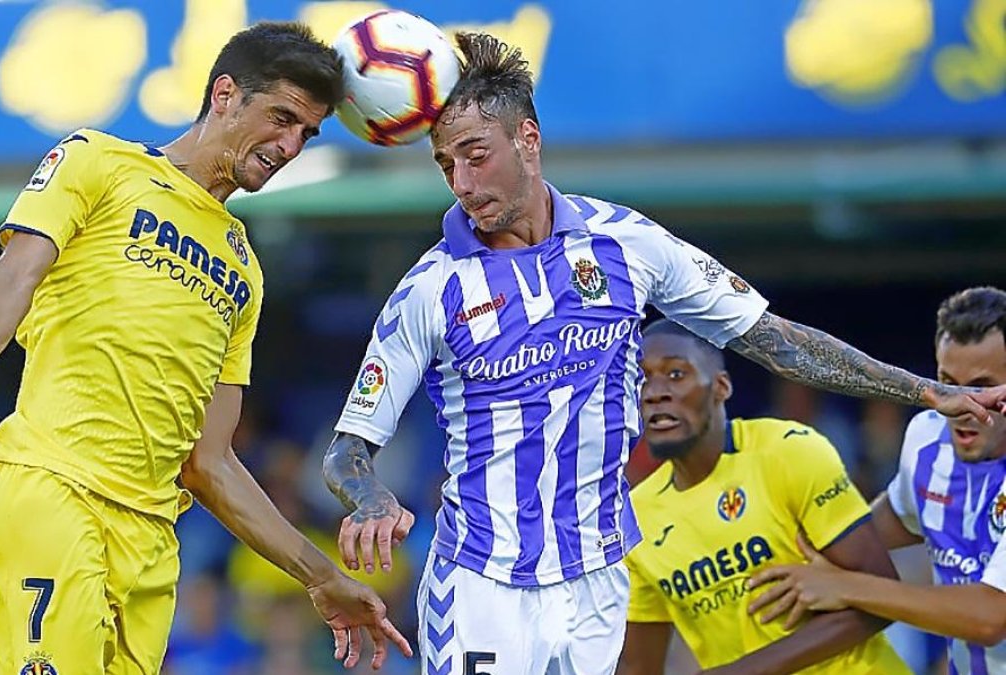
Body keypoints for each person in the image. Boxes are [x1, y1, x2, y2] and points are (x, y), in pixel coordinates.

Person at [319, 32, 1006, 675]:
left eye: (476, 155)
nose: (463, 184)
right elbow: (346, 449)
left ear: (528, 139)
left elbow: (777, 339)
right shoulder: (429, 289)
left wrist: (922, 391)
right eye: (446, 165)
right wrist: (372, 495)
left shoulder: (628, 244)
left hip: (600, 578)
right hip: (480, 580)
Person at [0, 22, 410, 675]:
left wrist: (318, 575)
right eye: (281, 117)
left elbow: (211, 462)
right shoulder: (98, 162)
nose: (289, 145)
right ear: (224, 94)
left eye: (306, 133)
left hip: (150, 543)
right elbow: (15, 273)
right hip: (55, 489)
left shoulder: (244, 270)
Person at [620, 319, 908, 675]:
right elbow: (638, 667)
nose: (654, 392)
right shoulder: (635, 518)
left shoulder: (789, 452)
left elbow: (884, 598)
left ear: (721, 387)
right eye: (641, 378)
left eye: (676, 374)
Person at [747, 286, 1006, 673]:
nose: (962, 403)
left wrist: (845, 585)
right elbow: (888, 520)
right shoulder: (926, 437)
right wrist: (804, 546)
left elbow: (990, 617)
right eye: (947, 382)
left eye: (982, 387)